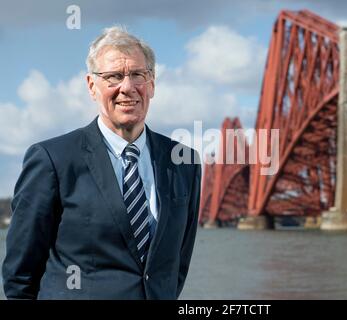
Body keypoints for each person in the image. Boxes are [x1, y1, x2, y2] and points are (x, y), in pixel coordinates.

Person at [2, 26, 201, 299]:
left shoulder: (184, 162)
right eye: (114, 77)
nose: (127, 87)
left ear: (152, 84)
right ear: (91, 86)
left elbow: (177, 265)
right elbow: (20, 273)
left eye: (137, 75)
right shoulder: (52, 160)